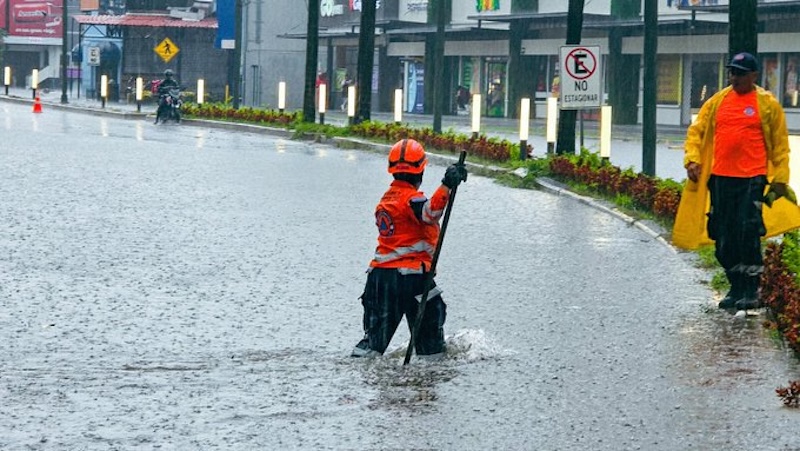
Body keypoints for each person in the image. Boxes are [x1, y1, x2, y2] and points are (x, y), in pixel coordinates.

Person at [673, 52, 800, 310]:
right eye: (732, 72)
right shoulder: (718, 102)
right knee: (723, 237)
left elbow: (779, 145)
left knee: (747, 234)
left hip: (752, 179)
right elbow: (696, 132)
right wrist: (692, 160)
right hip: (720, 179)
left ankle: (751, 290)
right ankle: (735, 285)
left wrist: (779, 180)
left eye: (740, 73)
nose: (734, 77)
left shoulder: (767, 104)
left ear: (754, 75)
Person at [351, 139, 468, 359]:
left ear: (391, 170)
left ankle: (358, 381)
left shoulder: (386, 199)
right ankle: (427, 384)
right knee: (431, 346)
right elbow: (430, 212)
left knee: (371, 345)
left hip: (379, 279)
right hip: (412, 279)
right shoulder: (411, 199)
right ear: (421, 169)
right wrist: (446, 184)